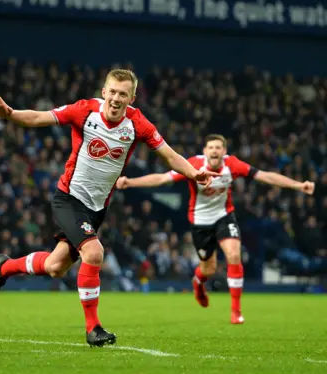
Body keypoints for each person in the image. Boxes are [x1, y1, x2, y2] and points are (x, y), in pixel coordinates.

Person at [0, 69, 219, 347]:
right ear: (104, 92)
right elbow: (39, 117)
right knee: (94, 253)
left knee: (56, 266)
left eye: (123, 94)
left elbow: (168, 154)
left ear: (131, 98)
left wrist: (193, 173)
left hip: (96, 209)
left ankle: (5, 266)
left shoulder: (137, 123)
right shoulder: (84, 111)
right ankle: (93, 329)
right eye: (113, 92)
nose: (117, 98)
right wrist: (10, 114)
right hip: (69, 198)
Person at [116, 134, 315, 324]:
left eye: (218, 148)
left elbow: (265, 177)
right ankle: (198, 283)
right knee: (208, 269)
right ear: (205, 151)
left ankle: (236, 311)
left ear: (224, 151)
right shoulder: (194, 165)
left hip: (224, 217)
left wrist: (298, 185)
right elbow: (162, 179)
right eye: (211, 147)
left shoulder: (233, 165)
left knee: (234, 255)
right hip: (201, 222)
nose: (214, 151)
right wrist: (130, 182)